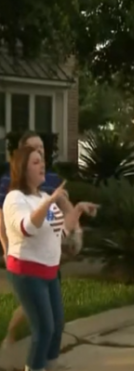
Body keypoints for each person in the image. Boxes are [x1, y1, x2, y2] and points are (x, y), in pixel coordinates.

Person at [4, 146, 98, 371]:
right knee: (44, 329)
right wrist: (50, 202)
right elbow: (27, 228)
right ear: (22, 168)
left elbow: (61, 232)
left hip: (49, 271)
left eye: (43, 161)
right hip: (28, 273)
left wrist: (77, 210)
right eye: (36, 162)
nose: (42, 165)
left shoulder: (44, 196)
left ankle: (51, 365)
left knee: (57, 326)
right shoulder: (15, 199)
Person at [0, 131, 72, 349]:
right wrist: (6, 248)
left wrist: (73, 231)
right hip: (26, 255)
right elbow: (3, 220)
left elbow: (64, 209)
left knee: (48, 312)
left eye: (41, 148)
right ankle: (12, 337)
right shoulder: (9, 183)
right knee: (34, 307)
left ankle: (45, 355)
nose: (39, 151)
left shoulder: (50, 179)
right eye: (33, 148)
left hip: (49, 253)